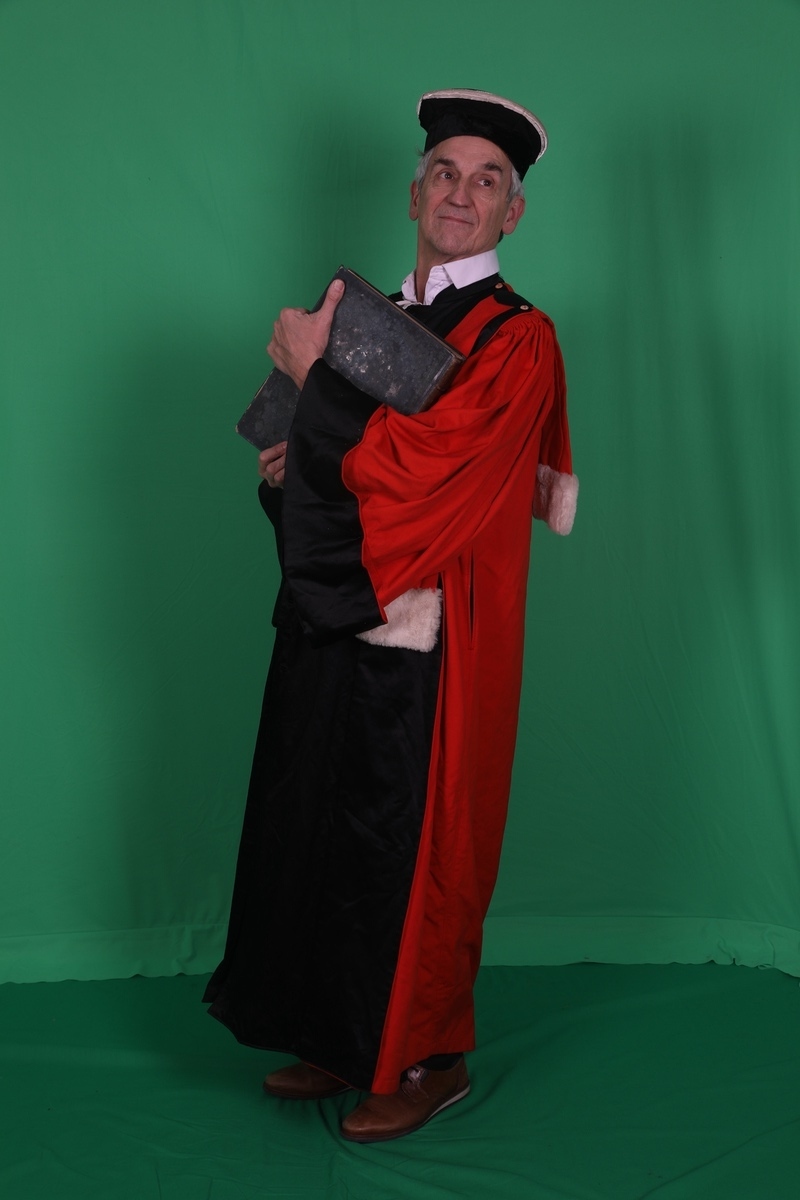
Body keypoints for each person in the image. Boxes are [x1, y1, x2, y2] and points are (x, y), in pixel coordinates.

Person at [204, 88, 578, 1144]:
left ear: (511, 213)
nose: (461, 193)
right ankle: (338, 1033)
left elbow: (429, 473)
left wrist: (314, 378)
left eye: (487, 180)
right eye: (444, 173)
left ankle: (426, 1060)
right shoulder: (363, 318)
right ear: (414, 195)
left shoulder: (518, 340)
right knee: (315, 819)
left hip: (436, 644)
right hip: (337, 614)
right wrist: (291, 472)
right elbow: (327, 475)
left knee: (410, 846)